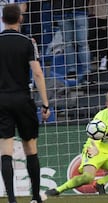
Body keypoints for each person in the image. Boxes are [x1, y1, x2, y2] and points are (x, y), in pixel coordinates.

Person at [45, 90, 108, 197]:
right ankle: (58, 189)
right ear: (107, 104)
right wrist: (96, 149)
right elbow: (94, 138)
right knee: (87, 178)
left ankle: (101, 182)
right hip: (93, 151)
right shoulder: (100, 117)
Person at [0, 4, 50, 203]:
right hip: (22, 99)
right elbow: (37, 73)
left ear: (3, 19)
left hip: (2, 100)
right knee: (30, 147)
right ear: (20, 19)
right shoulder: (28, 42)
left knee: (5, 150)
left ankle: (11, 199)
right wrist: (45, 103)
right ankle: (36, 196)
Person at [51, 0, 92, 80]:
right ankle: (87, 72)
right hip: (79, 8)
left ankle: (72, 71)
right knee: (82, 44)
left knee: (68, 43)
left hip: (62, 10)